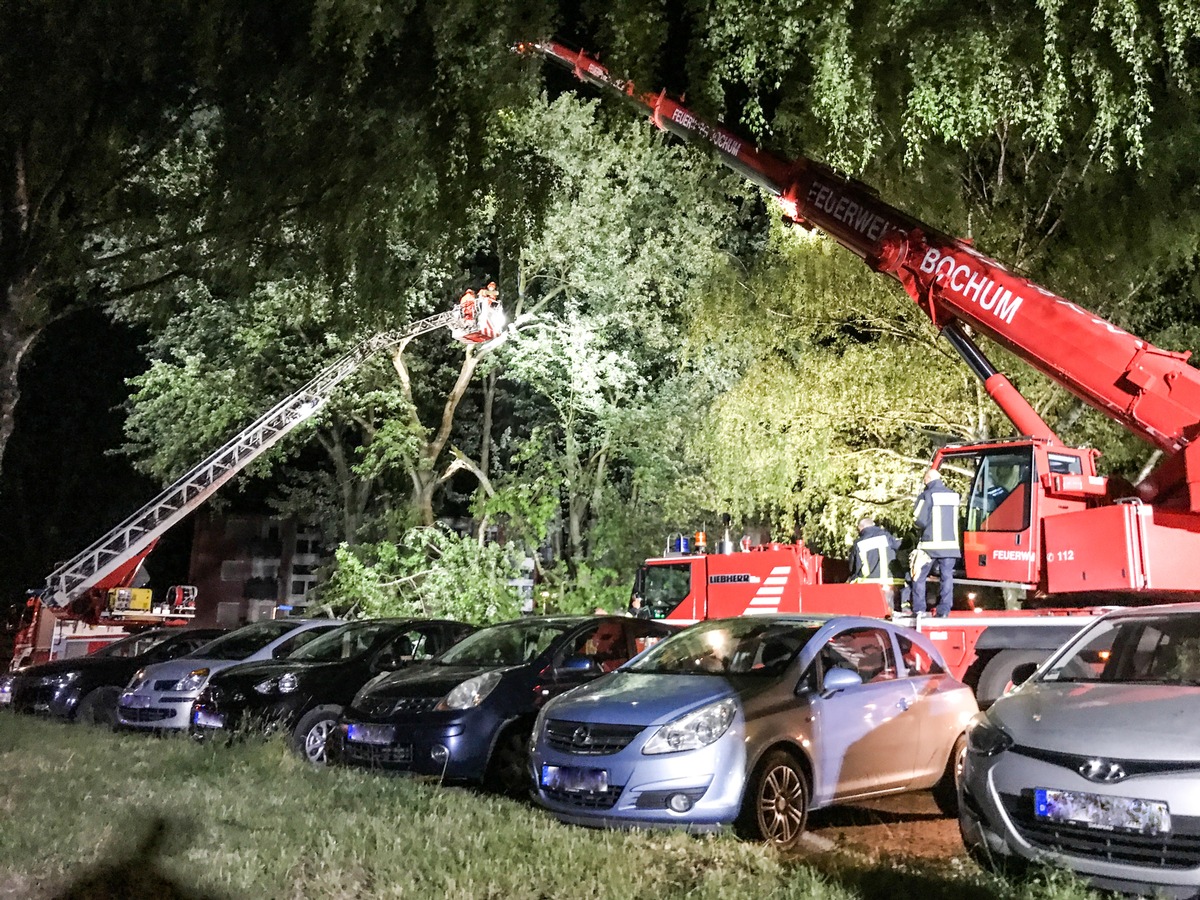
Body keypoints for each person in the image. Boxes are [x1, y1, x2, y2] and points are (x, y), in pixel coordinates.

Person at [911, 467, 961, 617]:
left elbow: (917, 519)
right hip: (950, 547)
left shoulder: (926, 495)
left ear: (927, 479)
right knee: (947, 578)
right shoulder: (953, 495)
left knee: (918, 577)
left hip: (929, 546)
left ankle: (919, 609)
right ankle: (944, 609)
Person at [846, 515, 902, 608]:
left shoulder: (859, 542)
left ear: (861, 528)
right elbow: (900, 547)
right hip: (890, 580)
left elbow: (854, 566)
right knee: (891, 611)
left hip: (869, 584)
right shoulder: (887, 536)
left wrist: (852, 578)